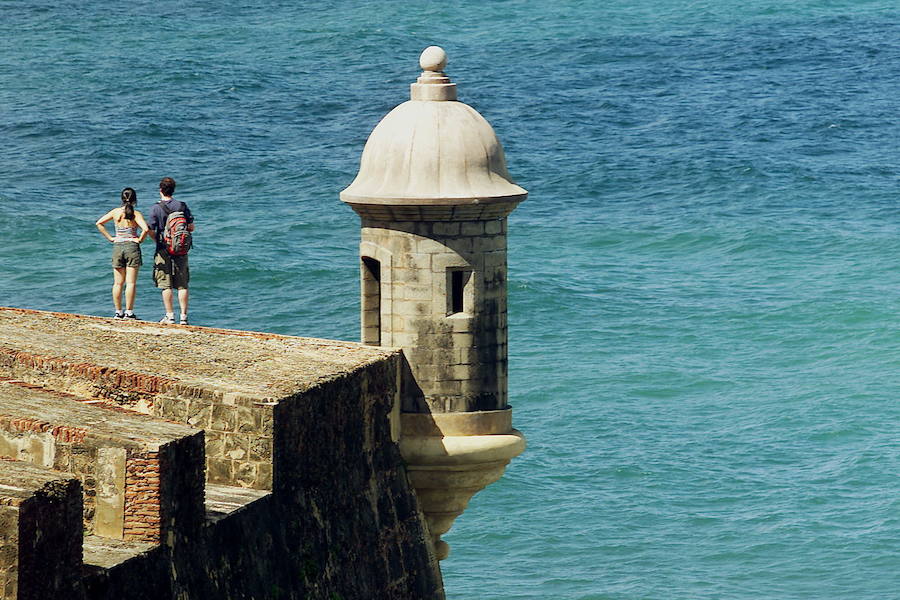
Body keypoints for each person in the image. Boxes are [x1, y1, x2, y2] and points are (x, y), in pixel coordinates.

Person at [95, 188, 149, 319]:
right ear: (135, 199)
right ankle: (129, 312)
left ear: (122, 198)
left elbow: (99, 223)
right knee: (130, 283)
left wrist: (110, 238)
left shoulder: (115, 212)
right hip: (132, 247)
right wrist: (139, 239)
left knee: (118, 283)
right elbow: (146, 229)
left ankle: (118, 312)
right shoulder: (136, 214)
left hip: (118, 246)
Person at [147, 177, 195, 325]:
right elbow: (191, 227)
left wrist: (158, 240)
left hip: (163, 249)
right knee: (182, 284)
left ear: (160, 190)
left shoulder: (155, 208)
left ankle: (170, 316)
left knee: (166, 284)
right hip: (181, 249)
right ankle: (184, 317)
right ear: (173, 190)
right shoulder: (181, 205)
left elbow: (150, 229)